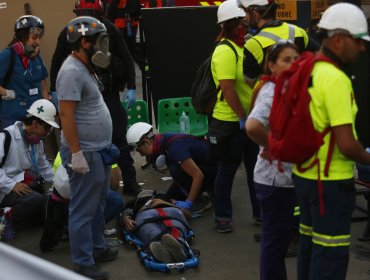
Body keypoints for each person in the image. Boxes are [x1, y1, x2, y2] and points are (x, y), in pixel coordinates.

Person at [290, 3, 370, 280]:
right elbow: (347, 145)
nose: (362, 49)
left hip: (304, 175)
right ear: (338, 39)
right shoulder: (335, 79)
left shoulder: (306, 66)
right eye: (358, 42)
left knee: (310, 249)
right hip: (331, 184)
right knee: (331, 256)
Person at [50, 0, 142, 196]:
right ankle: (98, 186)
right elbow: (57, 59)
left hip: (107, 90)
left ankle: (130, 180)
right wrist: (54, 90)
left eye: (90, 12)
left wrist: (132, 86)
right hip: (83, 96)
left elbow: (125, 57)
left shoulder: (107, 29)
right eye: (83, 13)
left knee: (119, 137)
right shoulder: (70, 33)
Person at [57, 16, 117, 280]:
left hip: (98, 150)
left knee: (99, 202)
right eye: (99, 41)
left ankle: (97, 248)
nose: (103, 46)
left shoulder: (85, 67)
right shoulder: (71, 71)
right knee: (83, 208)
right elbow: (66, 116)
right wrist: (77, 153)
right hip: (86, 152)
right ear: (84, 42)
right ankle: (83, 262)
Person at [246, 41, 299, 280]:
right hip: (274, 181)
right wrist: (273, 146)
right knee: (275, 242)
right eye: (286, 60)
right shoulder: (272, 90)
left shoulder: (288, 87)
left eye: (296, 59)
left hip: (283, 178)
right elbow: (253, 125)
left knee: (277, 239)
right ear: (271, 65)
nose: (293, 64)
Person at [207, 0, 260, 233]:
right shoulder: (224, 50)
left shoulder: (242, 47)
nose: (244, 27)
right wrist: (241, 116)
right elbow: (227, 88)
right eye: (240, 23)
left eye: (245, 23)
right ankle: (223, 217)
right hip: (229, 123)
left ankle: (260, 213)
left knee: (255, 170)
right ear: (228, 26)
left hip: (248, 122)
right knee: (227, 170)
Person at [126, 122, 216, 213]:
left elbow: (198, 175)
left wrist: (188, 202)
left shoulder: (174, 148)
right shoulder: (162, 140)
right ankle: (198, 194)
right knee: (168, 198)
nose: (141, 155)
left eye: (140, 150)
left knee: (175, 170)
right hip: (205, 166)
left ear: (147, 141)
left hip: (214, 172)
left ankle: (199, 201)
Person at [0, 99, 59, 234]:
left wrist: (62, 182)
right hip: (4, 187)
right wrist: (11, 185)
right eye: (47, 127)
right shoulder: (6, 137)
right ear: (35, 123)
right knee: (35, 200)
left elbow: (44, 167)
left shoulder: (37, 143)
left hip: (20, 183)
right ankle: (5, 218)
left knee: (47, 199)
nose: (48, 132)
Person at [237, 0, 320, 88]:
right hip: (300, 96)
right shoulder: (298, 31)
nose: (245, 17)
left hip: (273, 99)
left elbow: (250, 81)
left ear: (255, 13)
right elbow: (319, 55)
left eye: (246, 12)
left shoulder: (253, 43)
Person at [0, 15, 49, 130]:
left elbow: (43, 85)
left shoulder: (37, 58)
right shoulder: (8, 55)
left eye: (39, 38)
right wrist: (5, 92)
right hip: (13, 120)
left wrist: (46, 108)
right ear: (22, 37)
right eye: (34, 37)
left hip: (35, 119)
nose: (37, 42)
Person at [122, 189, 191, 263]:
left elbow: (188, 214)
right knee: (170, 231)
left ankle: (169, 249)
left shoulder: (166, 198)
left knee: (157, 233)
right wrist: (126, 219)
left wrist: (164, 202)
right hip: (161, 213)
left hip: (162, 212)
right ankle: (177, 248)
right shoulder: (134, 202)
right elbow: (125, 214)